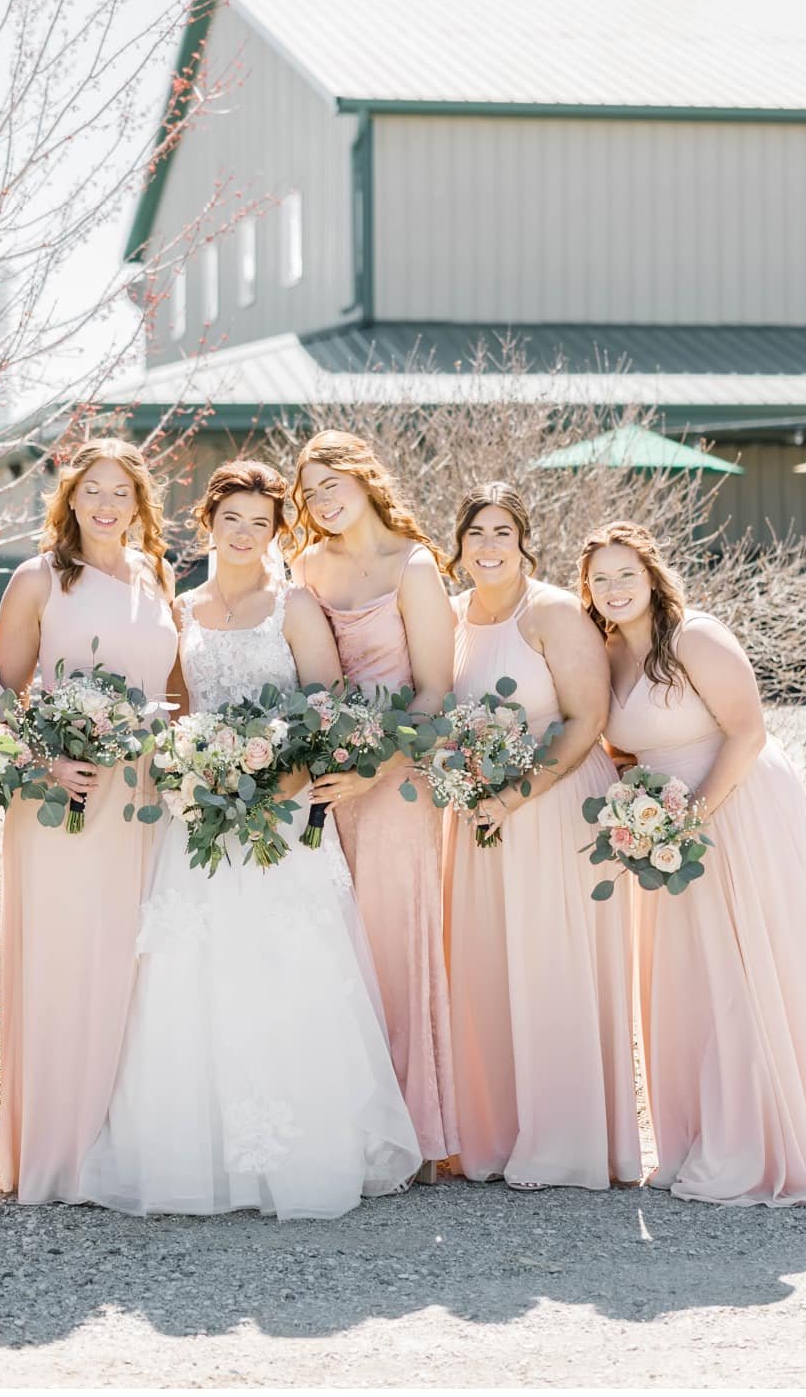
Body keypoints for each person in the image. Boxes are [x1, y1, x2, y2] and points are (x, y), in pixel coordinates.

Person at [79, 459, 419, 1217]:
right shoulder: (183, 608)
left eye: (260, 524)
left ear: (276, 533)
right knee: (195, 975)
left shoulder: (293, 605)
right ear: (210, 522)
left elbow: (324, 707)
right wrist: (193, 771)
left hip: (284, 813)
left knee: (285, 967)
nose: (244, 534)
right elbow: (176, 707)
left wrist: (280, 782)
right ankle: (196, 1154)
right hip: (200, 817)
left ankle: (301, 1155)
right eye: (231, 519)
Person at [581, 520, 806, 1207]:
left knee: (747, 963)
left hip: (737, 803)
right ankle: (700, 1135)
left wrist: (691, 815)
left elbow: (749, 731)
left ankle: (766, 1140)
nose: (613, 589)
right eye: (600, 578)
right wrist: (640, 819)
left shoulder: (694, 635)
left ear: (652, 575)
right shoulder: (606, 654)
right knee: (688, 975)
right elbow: (623, 747)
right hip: (664, 824)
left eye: (625, 574)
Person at [0, 439, 178, 1204]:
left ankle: (119, 1145)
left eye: (121, 493)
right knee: (69, 961)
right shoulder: (40, 578)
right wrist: (45, 765)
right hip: (64, 798)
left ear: (140, 505)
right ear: (69, 500)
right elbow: (1, 696)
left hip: (147, 800)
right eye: (91, 490)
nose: (106, 504)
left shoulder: (155, 577)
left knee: (136, 964)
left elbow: (171, 692)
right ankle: (56, 1152)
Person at [444, 484, 640, 1189]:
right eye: (476, 534)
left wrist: (516, 794)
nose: (489, 546)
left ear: (525, 540)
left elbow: (587, 720)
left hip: (553, 804)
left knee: (553, 960)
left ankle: (568, 1139)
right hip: (477, 814)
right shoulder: (451, 614)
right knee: (488, 965)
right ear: (459, 544)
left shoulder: (553, 611)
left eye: (502, 532)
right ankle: (494, 1137)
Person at [291, 431, 458, 1179]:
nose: (324, 500)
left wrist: (377, 766)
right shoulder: (306, 567)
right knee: (337, 944)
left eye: (334, 484)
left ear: (366, 479)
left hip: (398, 777)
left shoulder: (414, 565)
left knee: (395, 938)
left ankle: (415, 1131)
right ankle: (351, 1124)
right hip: (330, 779)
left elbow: (434, 690)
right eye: (311, 491)